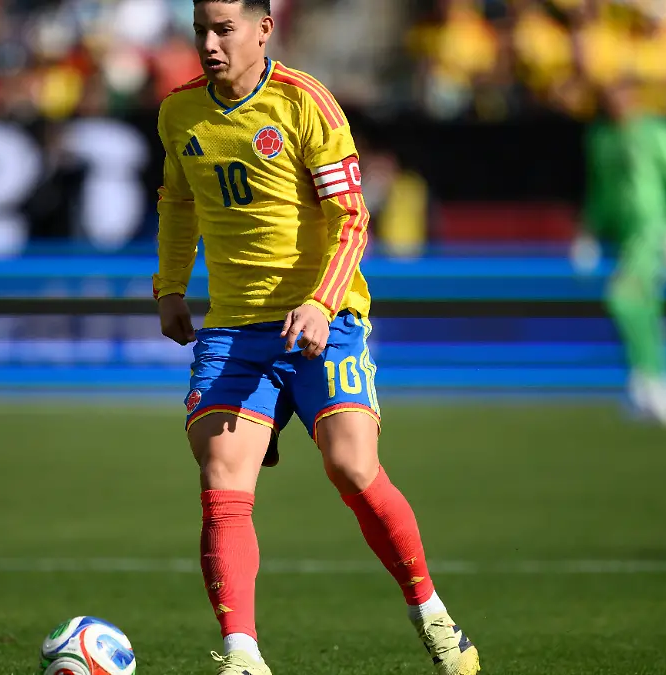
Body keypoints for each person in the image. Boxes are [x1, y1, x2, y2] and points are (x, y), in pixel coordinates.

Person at [152, 1, 480, 673]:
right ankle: (241, 653)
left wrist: (321, 303)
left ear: (263, 29)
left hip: (324, 324)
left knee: (351, 465)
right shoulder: (179, 112)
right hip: (235, 329)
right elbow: (178, 202)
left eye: (224, 30)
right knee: (222, 477)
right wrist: (170, 286)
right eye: (201, 30)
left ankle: (431, 613)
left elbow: (351, 218)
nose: (210, 44)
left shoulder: (307, 104)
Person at [572, 76, 666, 428]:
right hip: (622, 237)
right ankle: (656, 386)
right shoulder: (600, 138)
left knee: (623, 299)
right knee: (645, 308)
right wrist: (588, 232)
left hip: (652, 233)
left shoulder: (657, 132)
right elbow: (600, 191)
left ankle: (650, 380)